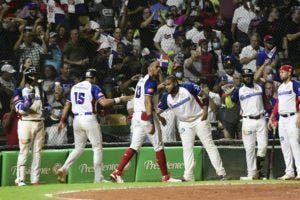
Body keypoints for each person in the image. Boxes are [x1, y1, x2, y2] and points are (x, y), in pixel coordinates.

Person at [110, 61, 181, 183]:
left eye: (159, 67)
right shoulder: (151, 82)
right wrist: (151, 121)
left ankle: (117, 172)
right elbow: (148, 101)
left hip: (137, 116)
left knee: (134, 146)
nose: (158, 69)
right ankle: (166, 177)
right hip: (145, 115)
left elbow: (158, 88)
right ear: (149, 68)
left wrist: (157, 116)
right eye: (156, 66)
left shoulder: (142, 81)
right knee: (158, 146)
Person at [56, 69, 131, 183]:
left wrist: (62, 120)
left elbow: (67, 105)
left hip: (77, 120)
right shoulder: (93, 87)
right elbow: (104, 103)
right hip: (89, 119)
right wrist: (119, 99)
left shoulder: (74, 87)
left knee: (78, 148)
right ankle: (98, 178)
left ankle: (64, 168)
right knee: (97, 148)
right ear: (94, 78)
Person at [157, 76, 226, 181]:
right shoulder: (166, 97)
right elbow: (157, 111)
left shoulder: (187, 87)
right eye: (165, 85)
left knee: (209, 145)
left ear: (175, 83)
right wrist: (160, 117)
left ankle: (221, 173)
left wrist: (205, 110)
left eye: (169, 84)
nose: (167, 87)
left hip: (199, 119)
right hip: (184, 123)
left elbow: (204, 95)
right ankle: (188, 176)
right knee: (187, 148)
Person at [228, 69, 268, 180]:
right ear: (242, 78)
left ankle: (258, 171)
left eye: (249, 76)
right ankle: (252, 174)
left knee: (263, 147)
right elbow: (231, 103)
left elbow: (265, 103)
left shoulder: (260, 87)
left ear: (252, 76)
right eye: (245, 76)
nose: (247, 78)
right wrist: (227, 96)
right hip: (247, 121)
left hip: (261, 119)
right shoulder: (239, 90)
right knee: (249, 149)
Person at [13, 68, 48, 186]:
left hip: (39, 122)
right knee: (24, 151)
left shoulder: (40, 89)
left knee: (37, 152)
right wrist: (28, 101)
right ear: (26, 76)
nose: (34, 77)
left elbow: (46, 104)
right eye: (32, 75)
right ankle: (20, 179)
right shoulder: (19, 90)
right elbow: (20, 109)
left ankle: (35, 180)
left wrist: (47, 109)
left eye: (35, 75)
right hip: (26, 122)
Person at [268, 65, 300, 180]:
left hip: (293, 116)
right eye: (280, 72)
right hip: (282, 119)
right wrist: (272, 116)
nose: (281, 74)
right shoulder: (281, 87)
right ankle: (289, 172)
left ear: (289, 72)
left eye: (283, 72)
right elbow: (278, 104)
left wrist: (299, 116)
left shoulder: (295, 84)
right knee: (285, 145)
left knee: (294, 144)